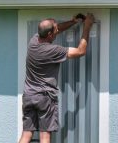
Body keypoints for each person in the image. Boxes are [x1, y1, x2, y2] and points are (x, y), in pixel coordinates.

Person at [19, 13, 95, 143]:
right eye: (55, 29)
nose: (57, 29)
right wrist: (87, 26)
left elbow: (56, 28)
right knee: (45, 136)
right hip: (45, 97)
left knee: (26, 135)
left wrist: (73, 22)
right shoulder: (52, 51)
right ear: (50, 35)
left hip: (29, 96)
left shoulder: (33, 41)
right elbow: (80, 51)